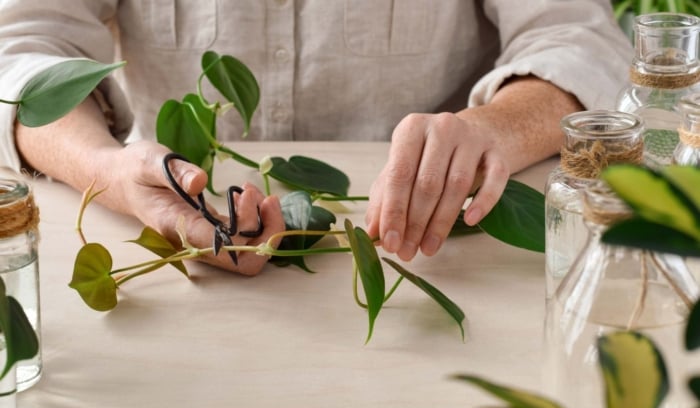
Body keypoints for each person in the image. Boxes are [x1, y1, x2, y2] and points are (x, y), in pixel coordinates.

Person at [0, 0, 632, 272]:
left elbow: (577, 38)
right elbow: (24, 46)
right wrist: (104, 171)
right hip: (159, 254)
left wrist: (490, 127)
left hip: (430, 253)